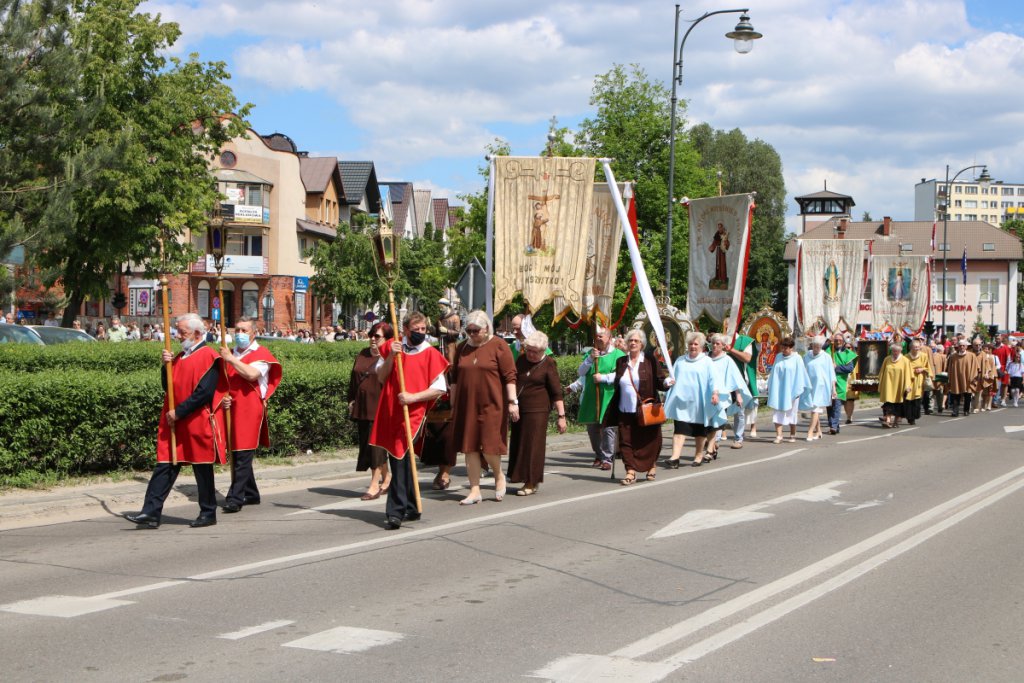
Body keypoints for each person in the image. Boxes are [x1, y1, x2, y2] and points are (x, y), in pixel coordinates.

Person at [123, 313, 227, 529]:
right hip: (175, 421)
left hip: (196, 420)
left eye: (183, 332)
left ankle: (208, 512)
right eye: (177, 331)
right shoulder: (179, 357)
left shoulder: (209, 356)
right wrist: (165, 366)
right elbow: (167, 386)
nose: (178, 336)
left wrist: (179, 412)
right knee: (165, 464)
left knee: (202, 468)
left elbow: (204, 393)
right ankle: (150, 512)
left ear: (198, 333)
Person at [371, 312, 449, 530]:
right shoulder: (392, 347)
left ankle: (395, 511)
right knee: (402, 460)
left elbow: (439, 388)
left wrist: (414, 397)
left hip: (413, 414)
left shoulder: (430, 354)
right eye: (417, 330)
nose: (421, 333)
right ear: (405, 330)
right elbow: (381, 376)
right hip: (391, 411)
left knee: (399, 457)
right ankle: (411, 506)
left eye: (424, 329)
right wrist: (390, 357)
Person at [450, 310, 517, 504]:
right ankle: (474, 489)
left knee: (489, 446)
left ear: (486, 328)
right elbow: (455, 379)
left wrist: (513, 402)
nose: (471, 334)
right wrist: (453, 405)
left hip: (492, 404)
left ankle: (498, 476)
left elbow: (510, 376)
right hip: (467, 404)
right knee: (469, 447)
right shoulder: (462, 348)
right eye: (468, 330)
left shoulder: (499, 345)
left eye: (475, 330)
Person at [218, 316, 282, 513]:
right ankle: (251, 493)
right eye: (236, 330)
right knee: (236, 452)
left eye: (244, 331)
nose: (239, 334)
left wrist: (230, 359)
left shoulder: (261, 353)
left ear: (254, 333)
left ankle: (235, 498)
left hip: (250, 408)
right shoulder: (231, 352)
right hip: (232, 406)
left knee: (243, 453)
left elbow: (252, 374)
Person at [602, 329, 671, 483]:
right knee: (626, 441)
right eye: (630, 340)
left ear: (642, 344)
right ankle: (630, 471)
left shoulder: (650, 361)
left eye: (636, 341)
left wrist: (667, 382)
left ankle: (651, 465)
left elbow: (660, 381)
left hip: (647, 409)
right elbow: (618, 382)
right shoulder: (621, 362)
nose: (633, 343)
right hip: (625, 409)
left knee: (651, 440)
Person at [508, 330, 565, 496]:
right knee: (519, 444)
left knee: (533, 446)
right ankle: (521, 477)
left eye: (535, 351)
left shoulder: (549, 363)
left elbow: (556, 392)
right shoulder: (521, 360)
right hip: (519, 409)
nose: (531, 354)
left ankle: (531, 482)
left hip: (538, 411)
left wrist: (561, 416)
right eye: (529, 350)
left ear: (543, 350)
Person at [565, 326, 625, 471]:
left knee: (607, 428)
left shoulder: (618, 354)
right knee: (593, 428)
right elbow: (581, 372)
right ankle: (598, 454)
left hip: (608, 395)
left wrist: (603, 378)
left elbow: (621, 375)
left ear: (609, 339)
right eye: (596, 336)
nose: (598, 339)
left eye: (601, 336)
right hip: (592, 396)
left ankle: (607, 458)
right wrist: (591, 359)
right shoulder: (591, 354)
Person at [348, 322, 393, 500]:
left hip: (380, 407)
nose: (373, 339)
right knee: (367, 445)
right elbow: (353, 378)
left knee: (376, 447)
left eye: (378, 336)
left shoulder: (389, 356)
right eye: (371, 335)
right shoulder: (363, 354)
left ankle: (374, 485)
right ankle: (387, 477)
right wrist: (351, 399)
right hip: (363, 406)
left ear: (387, 339)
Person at [664, 332, 717, 467]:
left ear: (702, 346)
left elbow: (714, 379)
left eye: (695, 344)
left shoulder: (707, 361)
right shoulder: (680, 360)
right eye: (690, 344)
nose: (692, 346)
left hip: (699, 402)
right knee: (679, 429)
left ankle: (698, 455)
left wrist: (715, 393)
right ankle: (675, 457)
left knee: (699, 430)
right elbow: (672, 377)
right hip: (682, 401)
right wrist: (667, 382)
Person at [706, 333, 752, 458]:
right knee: (708, 421)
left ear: (723, 346)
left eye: (718, 344)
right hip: (707, 395)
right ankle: (713, 445)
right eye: (713, 343)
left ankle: (714, 444)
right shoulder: (705, 358)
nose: (715, 346)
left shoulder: (727, 360)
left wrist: (738, 395)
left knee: (718, 419)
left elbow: (734, 379)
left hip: (722, 395)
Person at [767, 336, 810, 444]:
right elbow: (774, 373)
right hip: (779, 389)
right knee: (777, 412)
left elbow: (801, 375)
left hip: (792, 389)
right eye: (783, 347)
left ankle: (792, 434)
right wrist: (771, 386)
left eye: (786, 348)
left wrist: (797, 389)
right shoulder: (778, 357)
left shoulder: (797, 358)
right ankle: (779, 435)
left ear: (791, 348)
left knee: (792, 412)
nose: (784, 350)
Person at [726, 330, 759, 445]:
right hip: (723, 380)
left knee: (739, 410)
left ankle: (738, 438)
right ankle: (715, 440)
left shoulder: (744, 341)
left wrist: (731, 350)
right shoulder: (720, 340)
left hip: (739, 380)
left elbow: (747, 358)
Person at [801, 336, 836, 441]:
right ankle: (819, 431)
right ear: (812, 345)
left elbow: (831, 373)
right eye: (815, 346)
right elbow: (803, 370)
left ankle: (810, 431)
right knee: (813, 408)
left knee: (815, 408)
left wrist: (833, 389)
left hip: (821, 385)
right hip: (810, 384)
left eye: (819, 346)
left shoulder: (826, 357)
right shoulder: (807, 356)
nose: (817, 348)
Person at [877, 341, 913, 428]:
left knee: (898, 404)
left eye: (896, 351)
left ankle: (896, 421)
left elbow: (908, 374)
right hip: (888, 385)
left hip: (899, 386)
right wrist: (880, 383)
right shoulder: (887, 359)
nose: (894, 353)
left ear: (900, 351)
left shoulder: (905, 361)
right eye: (893, 351)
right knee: (888, 402)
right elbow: (882, 372)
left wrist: (907, 386)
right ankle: (888, 421)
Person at [827, 333, 857, 433]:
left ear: (843, 342)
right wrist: (828, 340)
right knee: (830, 405)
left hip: (840, 382)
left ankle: (834, 426)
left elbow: (850, 368)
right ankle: (834, 425)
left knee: (837, 404)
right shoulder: (829, 351)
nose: (838, 342)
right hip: (829, 382)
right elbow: (820, 348)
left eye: (840, 340)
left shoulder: (848, 353)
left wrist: (836, 367)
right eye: (836, 340)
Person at [946, 339, 980, 417]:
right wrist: (950, 378)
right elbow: (949, 368)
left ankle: (966, 410)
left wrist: (973, 377)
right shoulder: (953, 356)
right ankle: (955, 411)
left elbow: (975, 367)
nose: (961, 347)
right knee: (955, 395)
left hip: (968, 378)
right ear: (958, 347)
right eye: (960, 345)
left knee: (967, 395)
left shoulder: (971, 356)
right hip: (956, 378)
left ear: (966, 347)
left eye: (963, 346)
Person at [975, 342, 999, 412]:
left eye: (986, 349)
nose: (985, 350)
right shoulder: (981, 356)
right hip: (983, 376)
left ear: (989, 350)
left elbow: (993, 367)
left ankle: (989, 404)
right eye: (984, 349)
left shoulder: (991, 358)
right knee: (984, 392)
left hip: (990, 376)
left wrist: (992, 375)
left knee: (990, 391)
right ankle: (983, 405)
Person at [993, 335, 1014, 407]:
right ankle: (994, 400)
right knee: (996, 385)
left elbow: (1009, 359)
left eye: (999, 338)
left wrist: (1007, 369)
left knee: (1004, 385)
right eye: (996, 338)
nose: (997, 340)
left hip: (1004, 368)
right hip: (995, 368)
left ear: (1001, 339)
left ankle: (1003, 400)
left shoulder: (1005, 347)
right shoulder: (993, 347)